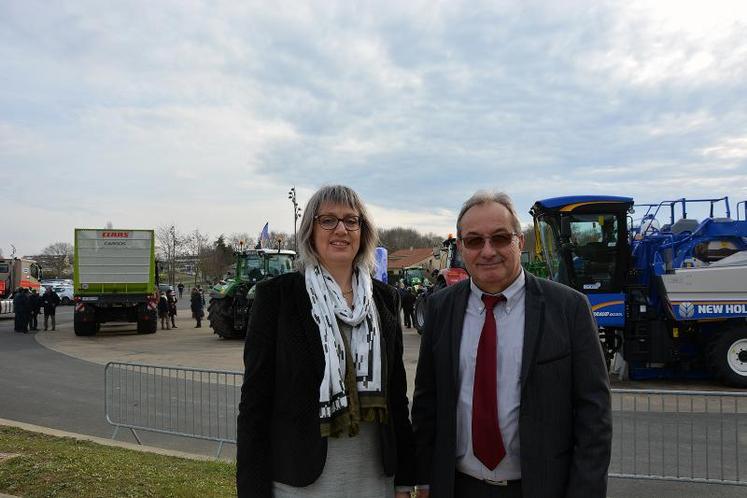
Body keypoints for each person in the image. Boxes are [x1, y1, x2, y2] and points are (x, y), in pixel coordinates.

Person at [412, 191, 612, 498]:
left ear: (519, 242)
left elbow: (593, 415)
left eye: (500, 238)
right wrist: (421, 478)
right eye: (475, 241)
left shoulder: (569, 309)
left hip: (541, 489)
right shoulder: (441, 309)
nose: (488, 251)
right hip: (457, 487)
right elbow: (427, 404)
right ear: (462, 248)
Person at [236, 184, 415, 498]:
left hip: (374, 482)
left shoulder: (385, 300)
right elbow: (254, 405)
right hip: (299, 483)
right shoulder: (277, 297)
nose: (341, 230)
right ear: (310, 230)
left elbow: (397, 398)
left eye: (351, 220)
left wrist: (405, 480)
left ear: (363, 231)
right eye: (328, 220)